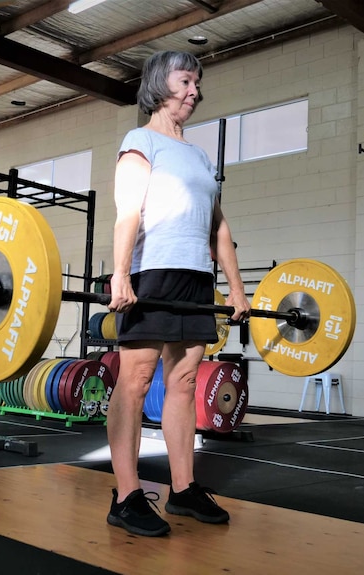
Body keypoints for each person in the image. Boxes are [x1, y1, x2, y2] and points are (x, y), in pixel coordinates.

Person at [105, 50, 250, 537]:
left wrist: (235, 288)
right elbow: (128, 211)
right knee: (136, 380)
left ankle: (182, 489)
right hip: (153, 273)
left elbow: (219, 228)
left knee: (185, 382)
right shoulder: (140, 141)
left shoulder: (201, 155)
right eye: (186, 81)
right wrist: (121, 274)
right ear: (158, 84)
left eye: (197, 83)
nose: (195, 91)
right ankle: (125, 495)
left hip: (194, 278)